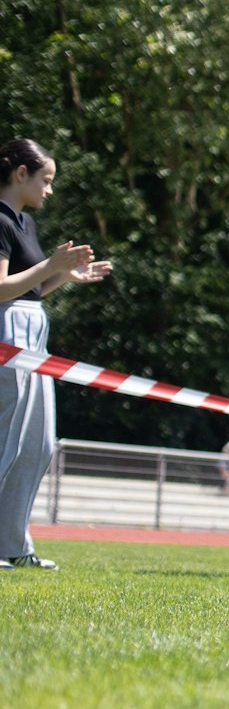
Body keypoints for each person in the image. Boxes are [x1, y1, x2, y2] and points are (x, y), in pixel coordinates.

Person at [0, 140, 111, 573]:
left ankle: (12, 543)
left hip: (32, 329)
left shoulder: (24, 221)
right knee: (4, 441)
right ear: (20, 174)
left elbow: (31, 287)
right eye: (45, 180)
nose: (49, 190)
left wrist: (64, 275)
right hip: (8, 332)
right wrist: (51, 265)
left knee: (38, 444)